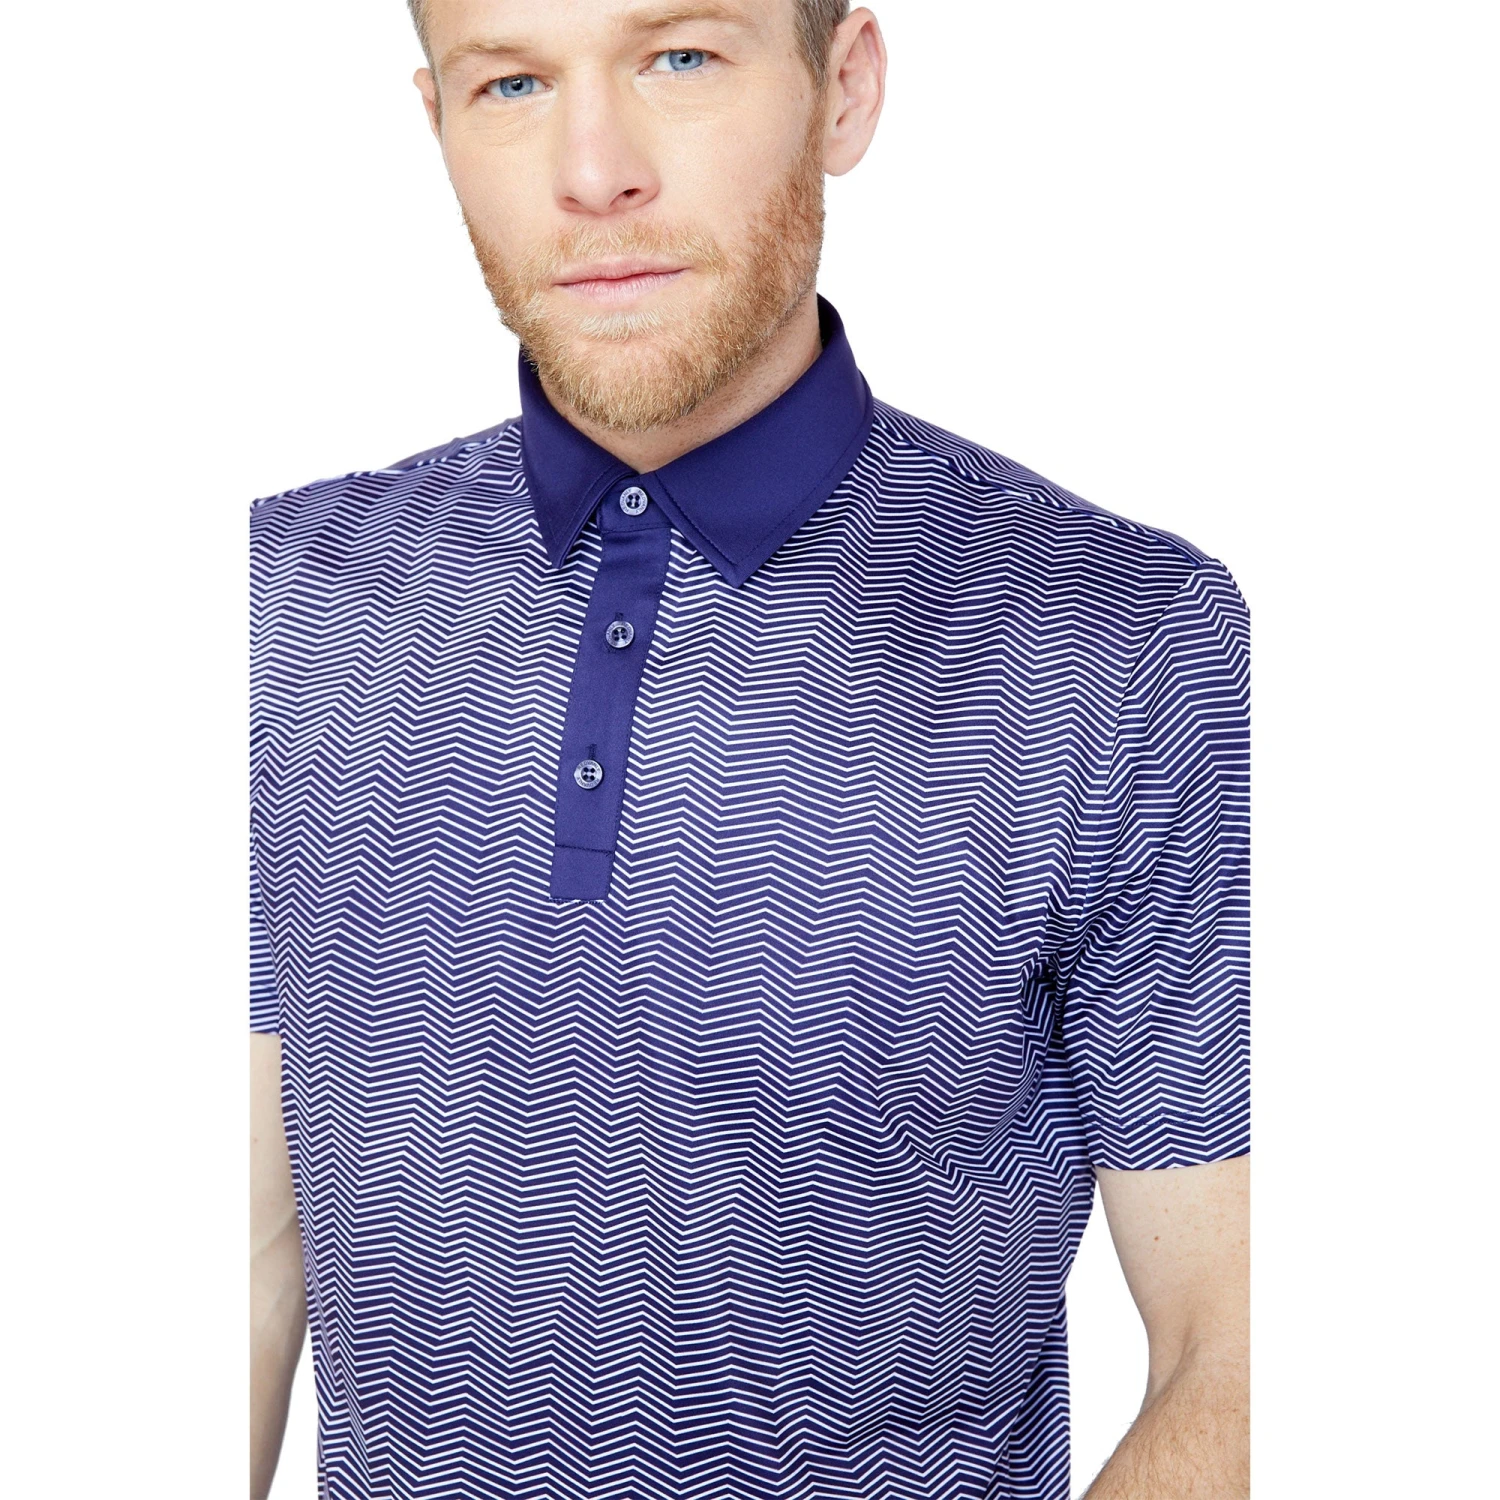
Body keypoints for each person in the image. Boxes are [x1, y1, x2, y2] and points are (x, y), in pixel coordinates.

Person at [249, 2, 1250, 1497]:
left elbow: (1243, 1346)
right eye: (511, 83)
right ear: (437, 122)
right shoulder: (279, 596)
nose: (593, 171)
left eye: (681, 57)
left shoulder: (1123, 639)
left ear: (842, 89)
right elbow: (242, 1255)